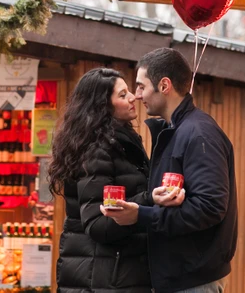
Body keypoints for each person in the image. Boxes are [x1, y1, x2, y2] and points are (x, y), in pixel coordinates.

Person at [103, 48, 238, 293]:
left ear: (164, 85)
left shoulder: (198, 133)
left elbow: (210, 207)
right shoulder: (175, 131)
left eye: (142, 86)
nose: (138, 95)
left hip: (193, 280)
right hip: (179, 277)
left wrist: (141, 216)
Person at [51, 68, 178, 293]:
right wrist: (149, 199)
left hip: (112, 275)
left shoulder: (120, 142)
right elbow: (98, 225)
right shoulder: (97, 150)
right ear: (102, 106)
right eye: (122, 95)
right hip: (103, 280)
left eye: (130, 91)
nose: (133, 97)